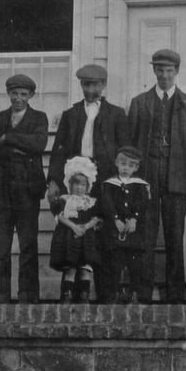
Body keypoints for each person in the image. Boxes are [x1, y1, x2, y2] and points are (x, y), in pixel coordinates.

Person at [47, 64, 129, 302]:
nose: (89, 89)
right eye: (85, 84)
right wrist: (53, 181)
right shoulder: (71, 114)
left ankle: (106, 294)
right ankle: (71, 292)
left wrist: (121, 181)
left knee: (104, 231)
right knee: (72, 230)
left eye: (94, 84)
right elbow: (58, 150)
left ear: (103, 85)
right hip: (76, 181)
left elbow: (124, 149)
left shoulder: (116, 113)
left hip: (105, 180)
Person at [128, 48, 186, 303]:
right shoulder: (140, 102)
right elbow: (129, 144)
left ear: (177, 72)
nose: (164, 75)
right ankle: (144, 293)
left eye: (169, 70)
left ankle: (175, 295)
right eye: (159, 70)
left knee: (175, 236)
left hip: (177, 176)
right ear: (154, 71)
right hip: (147, 175)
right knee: (145, 236)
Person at [0, 74, 48, 303]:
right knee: (1, 245)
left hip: (28, 187)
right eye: (14, 93)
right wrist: (13, 149)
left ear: (31, 96)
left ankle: (28, 296)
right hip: (0, 187)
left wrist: (8, 137)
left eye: (23, 94)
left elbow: (38, 144)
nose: (18, 98)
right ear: (8, 93)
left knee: (28, 243)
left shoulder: (39, 118)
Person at [49, 156, 103, 303]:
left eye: (83, 185)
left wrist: (85, 227)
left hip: (86, 238)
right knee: (70, 268)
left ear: (88, 186)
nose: (79, 188)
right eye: (76, 184)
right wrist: (74, 227)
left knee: (86, 269)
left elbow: (96, 218)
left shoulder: (90, 202)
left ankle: (84, 296)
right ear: (70, 184)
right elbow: (59, 216)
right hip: (69, 237)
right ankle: (67, 295)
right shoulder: (65, 200)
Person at [100, 146, 150, 303]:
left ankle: (135, 292)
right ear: (116, 163)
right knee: (115, 262)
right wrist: (115, 219)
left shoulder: (140, 185)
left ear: (136, 167)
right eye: (123, 164)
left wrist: (135, 218)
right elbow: (107, 203)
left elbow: (143, 203)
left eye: (130, 165)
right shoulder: (109, 184)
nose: (125, 168)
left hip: (134, 229)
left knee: (135, 263)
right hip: (116, 229)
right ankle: (114, 293)